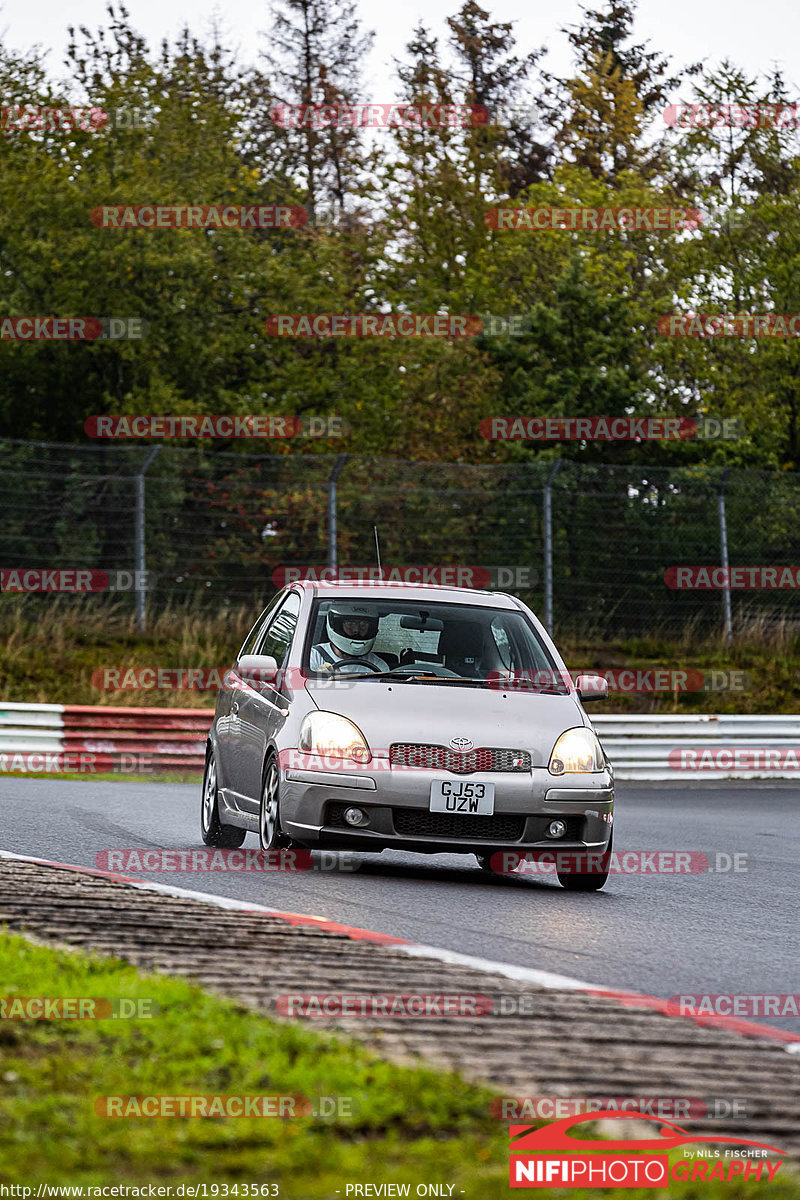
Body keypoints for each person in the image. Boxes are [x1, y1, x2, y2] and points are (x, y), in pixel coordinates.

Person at [309, 601, 389, 673]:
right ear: (337, 625)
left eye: (363, 624)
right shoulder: (314, 657)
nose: (356, 630)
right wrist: (317, 677)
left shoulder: (378, 665)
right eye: (350, 623)